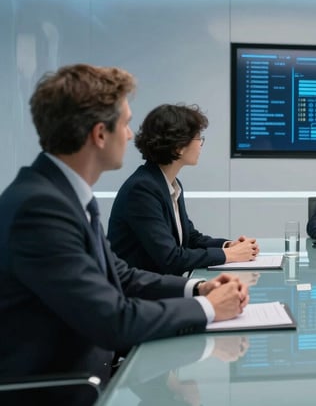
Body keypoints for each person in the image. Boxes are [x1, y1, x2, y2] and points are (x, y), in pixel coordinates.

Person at [0, 64, 248, 405]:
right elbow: (113, 320)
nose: (131, 136)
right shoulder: (40, 209)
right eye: (126, 123)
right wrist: (207, 307)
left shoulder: (61, 196)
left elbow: (122, 275)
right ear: (100, 134)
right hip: (63, 391)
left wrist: (198, 288)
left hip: (92, 376)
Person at [108, 104, 259, 275]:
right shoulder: (142, 189)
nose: (201, 144)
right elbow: (171, 258)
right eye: (198, 138)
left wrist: (228, 246)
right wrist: (229, 255)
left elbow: (190, 238)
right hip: (140, 289)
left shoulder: (169, 184)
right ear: (178, 147)